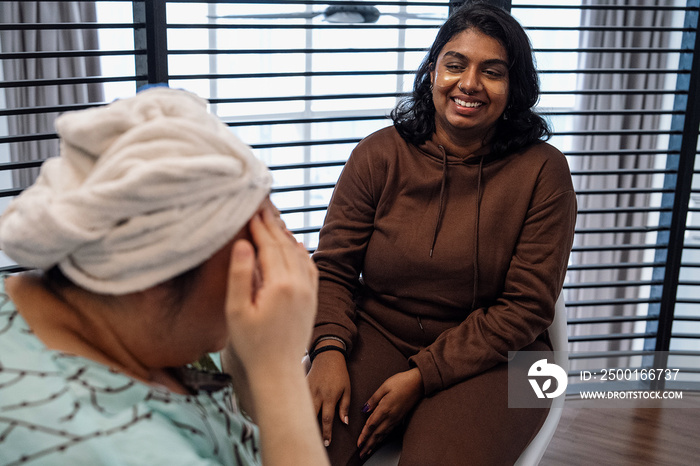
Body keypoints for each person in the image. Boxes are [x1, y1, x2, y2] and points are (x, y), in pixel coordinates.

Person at [306, 2, 577, 465]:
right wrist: (328, 348)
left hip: (513, 360)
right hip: (382, 332)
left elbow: (528, 308)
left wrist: (423, 376)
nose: (469, 84)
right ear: (433, 72)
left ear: (514, 88)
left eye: (492, 71)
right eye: (455, 65)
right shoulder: (377, 156)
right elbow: (333, 267)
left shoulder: (544, 171)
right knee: (302, 448)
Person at [0, 87, 329, 466]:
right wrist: (280, 371)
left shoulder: (126, 328)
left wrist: (253, 356)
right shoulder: (98, 446)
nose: (276, 266)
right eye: (255, 248)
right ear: (152, 274)